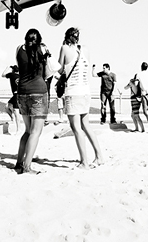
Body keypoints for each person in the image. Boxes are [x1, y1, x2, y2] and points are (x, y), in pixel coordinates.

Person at [58, 27, 104, 169]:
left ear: (66, 37)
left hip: (73, 91)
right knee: (86, 125)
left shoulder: (64, 48)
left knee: (76, 127)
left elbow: (59, 69)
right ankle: (99, 156)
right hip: (85, 91)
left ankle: (84, 162)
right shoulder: (86, 49)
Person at [15, 28, 49, 174]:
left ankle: (19, 163)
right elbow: (47, 71)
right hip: (38, 92)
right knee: (36, 132)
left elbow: (20, 64)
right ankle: (27, 166)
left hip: (22, 92)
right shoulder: (43, 49)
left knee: (27, 131)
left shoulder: (19, 49)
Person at [135, 62, 148, 132]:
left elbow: (136, 84)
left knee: (145, 112)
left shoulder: (139, 74)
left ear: (141, 67)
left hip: (144, 94)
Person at [2, 65, 20, 134]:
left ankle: (18, 130)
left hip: (17, 95)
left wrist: (7, 68)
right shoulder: (21, 76)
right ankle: (13, 119)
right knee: (7, 106)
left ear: (13, 70)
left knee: (16, 112)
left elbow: (3, 75)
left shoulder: (12, 75)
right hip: (17, 95)